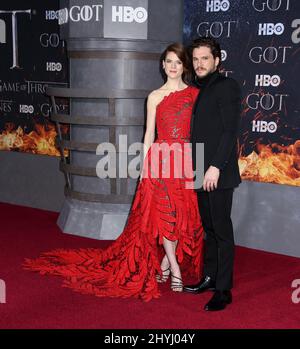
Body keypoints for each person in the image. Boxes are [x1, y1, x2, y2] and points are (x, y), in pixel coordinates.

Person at [23, 43, 204, 302]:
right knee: (164, 214)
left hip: (184, 159)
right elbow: (149, 134)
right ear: (162, 65)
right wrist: (144, 167)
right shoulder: (154, 96)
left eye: (178, 62)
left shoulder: (194, 95)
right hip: (160, 160)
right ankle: (175, 268)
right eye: (169, 61)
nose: (173, 67)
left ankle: (165, 262)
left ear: (184, 65)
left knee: (180, 215)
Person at [183, 37, 241, 311]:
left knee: (221, 230)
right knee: (208, 229)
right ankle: (209, 277)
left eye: (205, 58)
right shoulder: (197, 89)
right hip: (198, 169)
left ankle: (223, 289)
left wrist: (216, 166)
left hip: (217, 171)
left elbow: (230, 131)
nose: (199, 64)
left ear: (217, 61)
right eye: (195, 59)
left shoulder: (226, 86)